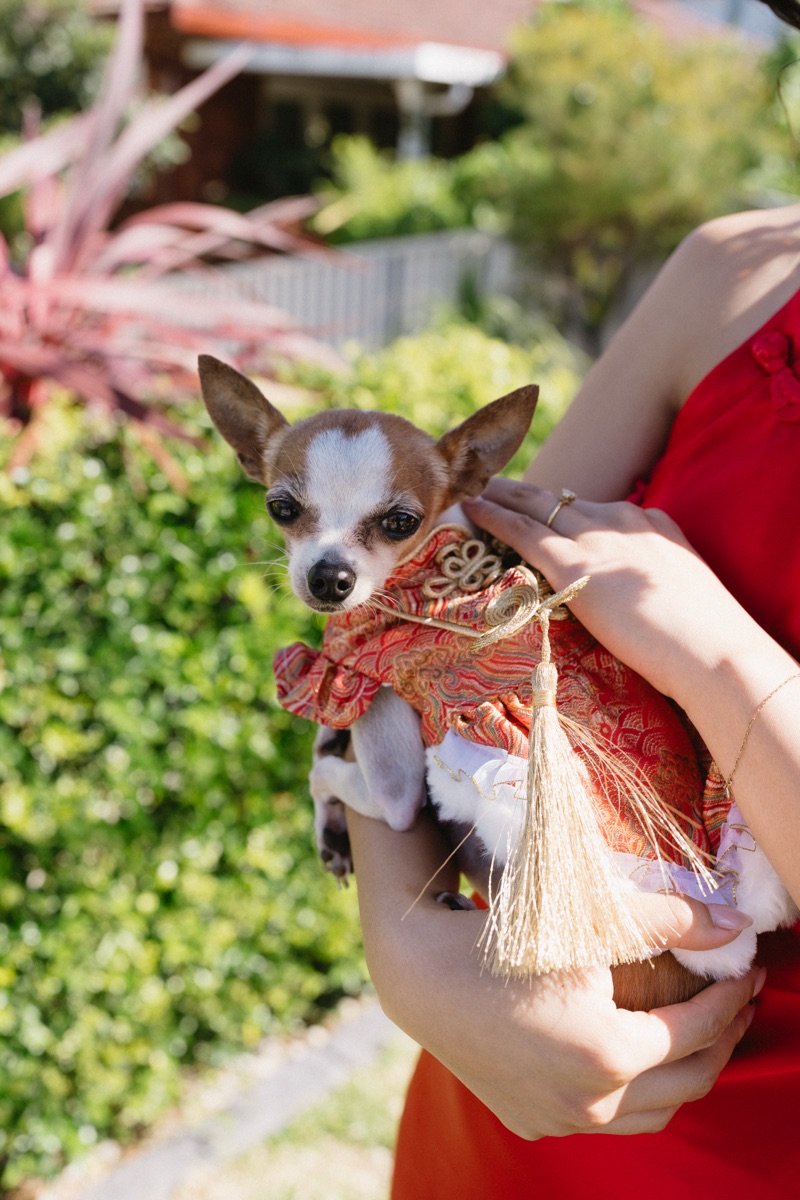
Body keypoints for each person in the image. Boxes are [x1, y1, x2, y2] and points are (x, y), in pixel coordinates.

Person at [343, 3, 800, 1195]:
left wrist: (707, 650)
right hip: (514, 1098)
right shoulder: (729, 276)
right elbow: (413, 624)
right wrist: (408, 950)